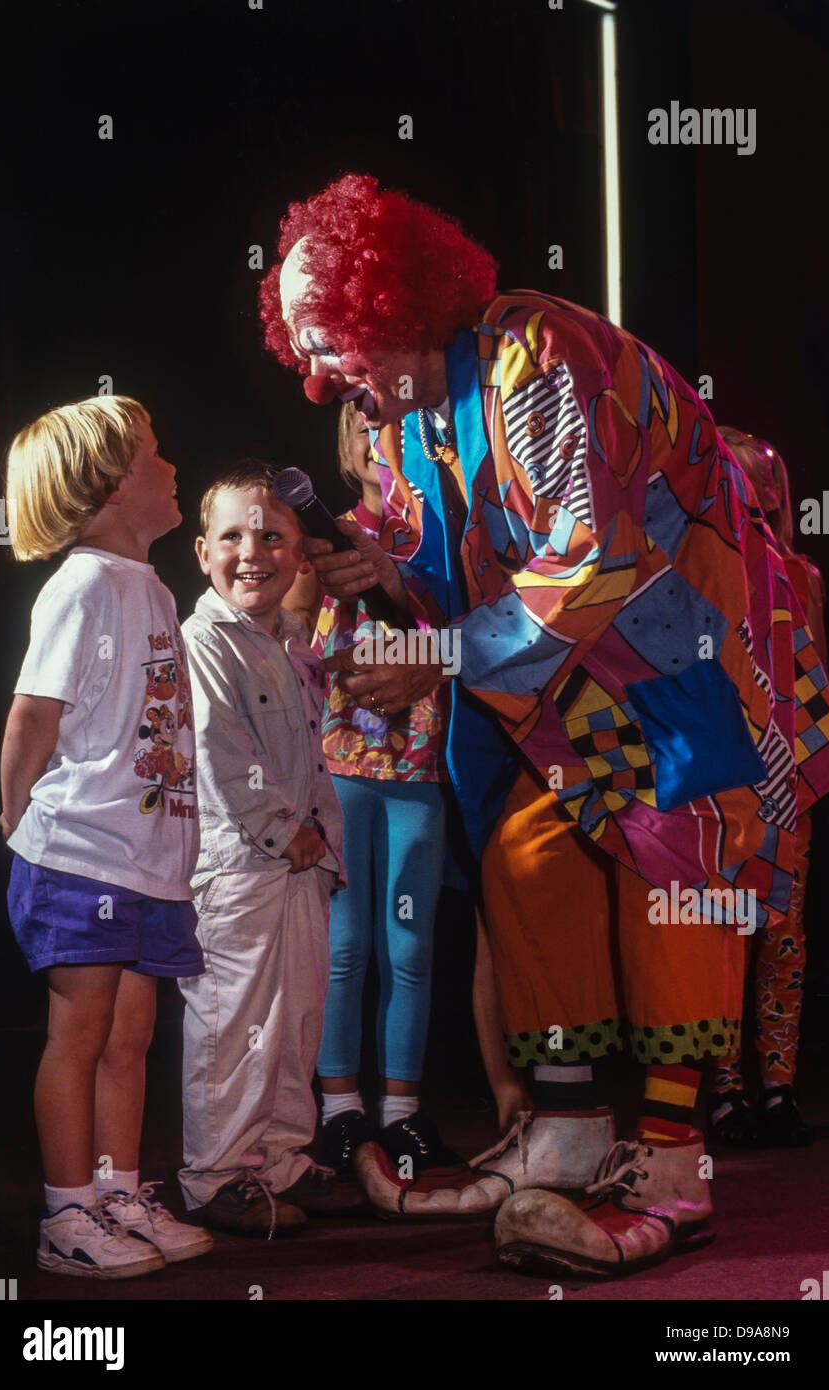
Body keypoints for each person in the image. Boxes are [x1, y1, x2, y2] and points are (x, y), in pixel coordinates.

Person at [259, 174, 829, 1277]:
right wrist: (389, 574)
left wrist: (434, 651)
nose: (322, 377)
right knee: (532, 865)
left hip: (688, 667)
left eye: (331, 342)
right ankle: (568, 1137)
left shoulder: (536, 356)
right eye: (307, 355)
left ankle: (674, 1162)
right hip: (557, 695)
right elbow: (464, 574)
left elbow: (591, 558)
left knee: (677, 882)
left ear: (391, 301)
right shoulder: (412, 418)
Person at [0, 396, 212, 1279]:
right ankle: (66, 1214)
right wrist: (16, 819)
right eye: (155, 457)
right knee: (80, 1034)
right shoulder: (83, 583)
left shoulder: (154, 587)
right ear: (111, 482)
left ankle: (118, 1189)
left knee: (132, 1034)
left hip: (148, 861)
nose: (171, 469)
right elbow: (33, 714)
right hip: (82, 854)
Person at [177, 458, 359, 1235]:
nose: (252, 551)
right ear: (201, 552)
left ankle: (280, 1157)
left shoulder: (289, 640)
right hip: (239, 866)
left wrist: (320, 847)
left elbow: (312, 751)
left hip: (301, 864)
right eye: (232, 536)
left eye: (272, 536)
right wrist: (288, 834)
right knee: (233, 1021)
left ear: (299, 554)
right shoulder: (202, 642)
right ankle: (215, 1175)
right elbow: (218, 753)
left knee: (295, 1016)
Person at [307, 403, 455, 1177]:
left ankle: (402, 1109)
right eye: (363, 431)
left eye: (392, 431)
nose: (378, 445)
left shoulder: (445, 540)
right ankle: (338, 1109)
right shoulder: (323, 533)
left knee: (411, 944)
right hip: (341, 763)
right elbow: (290, 642)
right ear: (345, 445)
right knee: (344, 943)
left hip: (423, 766)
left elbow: (476, 637)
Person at [706, 428, 827, 1148]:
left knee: (783, 933)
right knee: (723, 929)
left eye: (762, 486)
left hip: (791, 770)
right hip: (723, 776)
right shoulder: (697, 567)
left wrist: (812, 759)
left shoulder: (800, 574)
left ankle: (777, 1087)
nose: (755, 497)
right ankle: (723, 1090)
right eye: (738, 482)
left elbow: (818, 679)